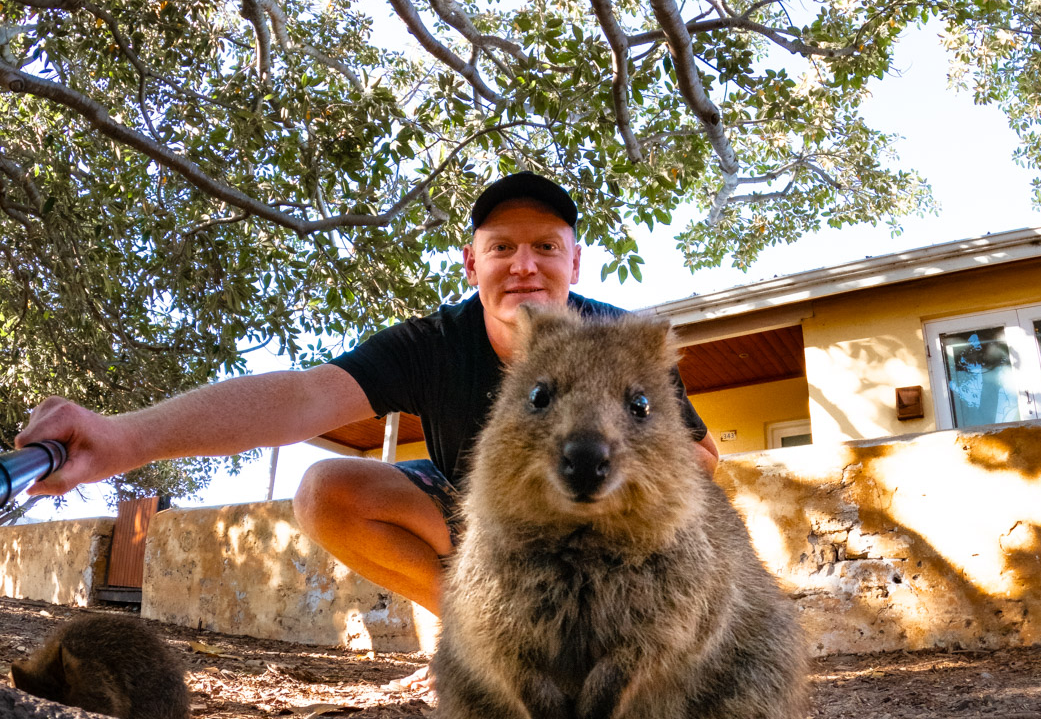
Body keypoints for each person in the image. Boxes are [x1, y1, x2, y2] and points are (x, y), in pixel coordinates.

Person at [17, 172, 718, 618]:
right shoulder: (434, 343)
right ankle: (483, 641)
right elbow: (301, 398)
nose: (524, 265)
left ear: (575, 260)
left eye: (545, 246)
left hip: (603, 539)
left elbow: (702, 457)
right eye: (502, 248)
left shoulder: (621, 342)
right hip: (480, 526)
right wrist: (126, 437)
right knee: (327, 489)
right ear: (472, 262)